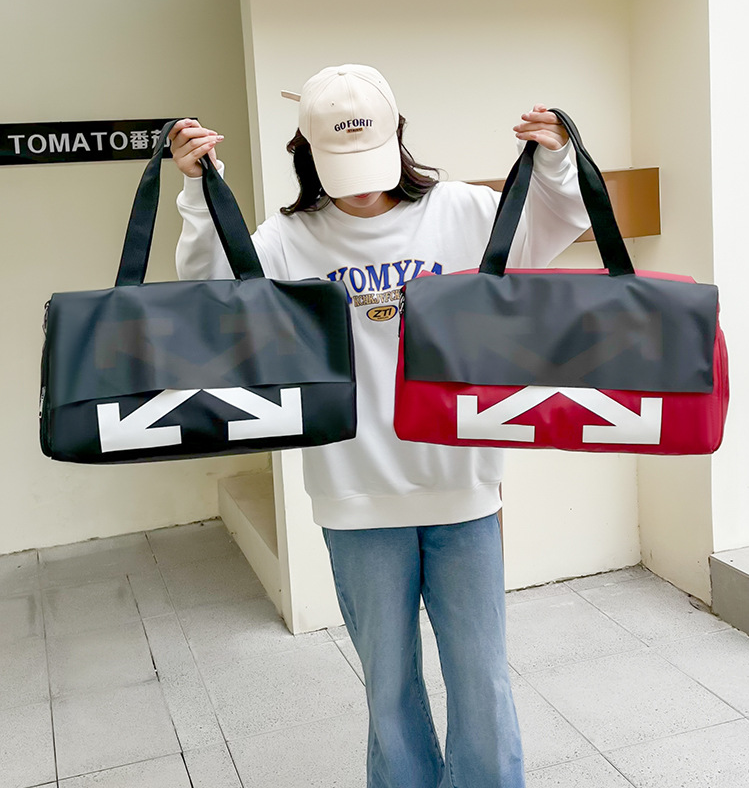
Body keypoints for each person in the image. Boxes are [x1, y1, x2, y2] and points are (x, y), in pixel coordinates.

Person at [170, 64, 589, 788]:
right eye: (339, 167)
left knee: (481, 681)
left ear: (398, 136)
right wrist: (201, 193)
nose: (361, 185)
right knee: (388, 687)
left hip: (461, 485)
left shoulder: (461, 210)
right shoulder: (286, 239)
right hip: (354, 493)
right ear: (306, 154)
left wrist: (555, 161)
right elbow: (214, 296)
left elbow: (550, 230)